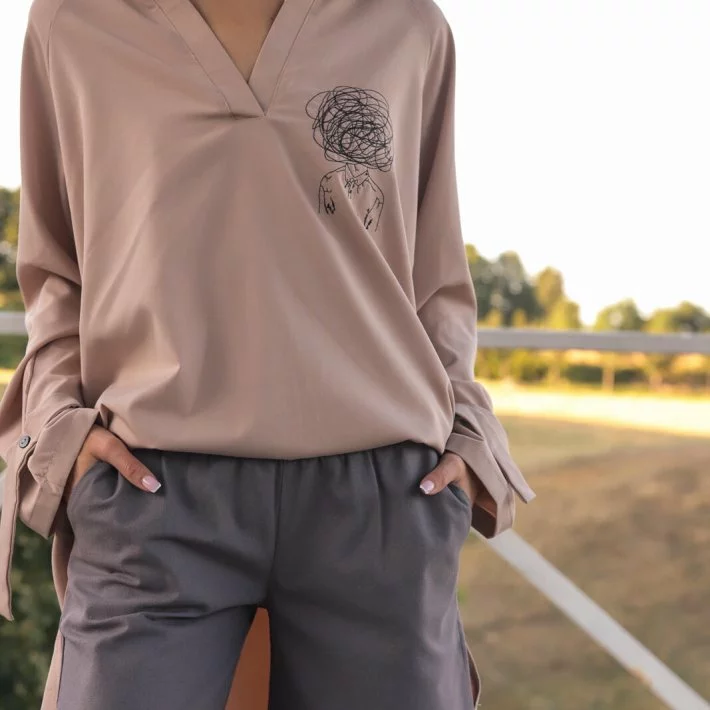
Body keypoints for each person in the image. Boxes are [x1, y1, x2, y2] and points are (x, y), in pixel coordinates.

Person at [0, 0, 536, 708]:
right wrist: (61, 432)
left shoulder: (410, 26)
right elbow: (54, 273)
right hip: (149, 492)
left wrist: (468, 436)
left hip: (383, 499)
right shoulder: (74, 23)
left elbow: (436, 282)